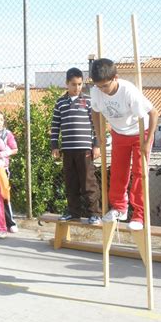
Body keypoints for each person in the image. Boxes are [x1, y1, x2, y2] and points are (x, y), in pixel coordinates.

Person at [90, 58, 158, 231]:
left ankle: (139, 215)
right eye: (98, 86)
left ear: (116, 78)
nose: (102, 90)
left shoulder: (129, 91)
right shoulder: (96, 91)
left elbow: (153, 114)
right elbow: (95, 112)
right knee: (118, 172)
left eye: (105, 86)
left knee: (139, 173)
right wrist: (99, 135)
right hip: (119, 134)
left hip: (139, 134)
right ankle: (119, 208)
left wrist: (147, 141)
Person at [50, 67, 102, 225]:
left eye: (80, 84)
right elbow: (55, 126)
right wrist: (54, 146)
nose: (77, 87)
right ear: (67, 84)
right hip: (67, 149)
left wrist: (96, 145)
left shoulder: (88, 102)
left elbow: (96, 125)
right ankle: (73, 212)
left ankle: (95, 213)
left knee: (88, 181)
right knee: (70, 181)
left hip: (84, 149)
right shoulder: (60, 103)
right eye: (73, 84)